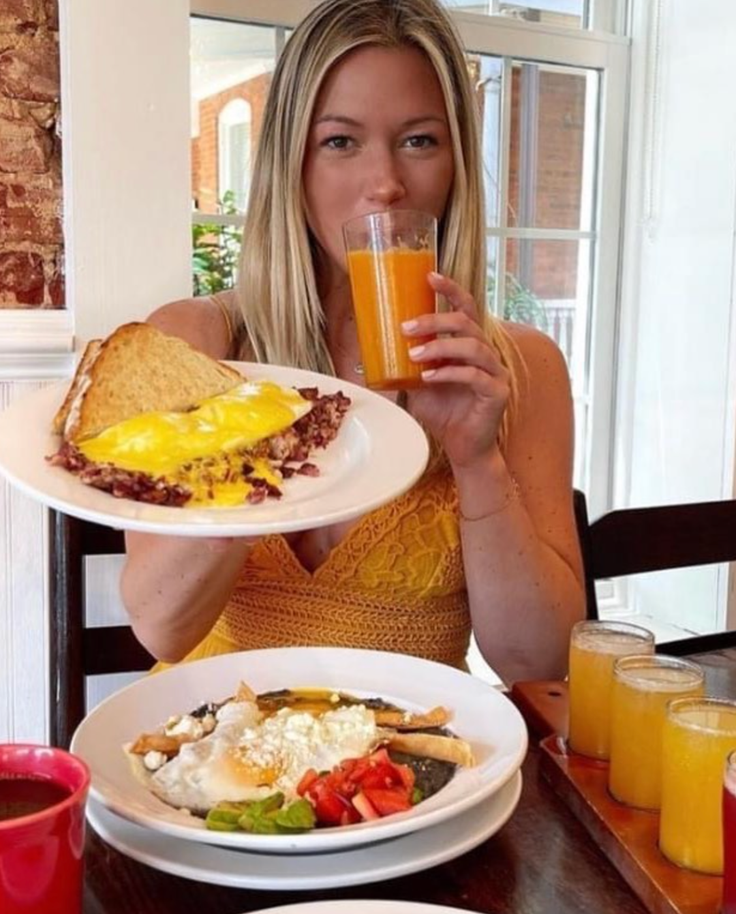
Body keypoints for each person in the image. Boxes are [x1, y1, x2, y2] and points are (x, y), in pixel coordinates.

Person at [120, 0, 585, 686]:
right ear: (292, 165)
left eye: (419, 140)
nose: (386, 182)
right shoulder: (195, 347)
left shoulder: (520, 369)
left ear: (456, 159)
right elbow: (163, 625)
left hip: (409, 770)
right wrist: (262, 448)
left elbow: (537, 661)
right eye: (340, 141)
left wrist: (476, 459)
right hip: (207, 761)